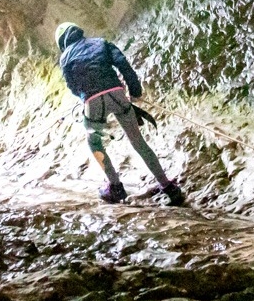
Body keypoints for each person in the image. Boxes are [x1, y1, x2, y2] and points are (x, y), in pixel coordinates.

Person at [55, 22, 186, 206]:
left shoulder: (65, 58)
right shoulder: (101, 43)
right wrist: (134, 91)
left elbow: (72, 86)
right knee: (138, 141)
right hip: (117, 94)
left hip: (93, 102)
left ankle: (115, 187)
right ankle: (168, 187)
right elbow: (123, 65)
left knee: (94, 143)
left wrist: (85, 96)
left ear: (62, 43)